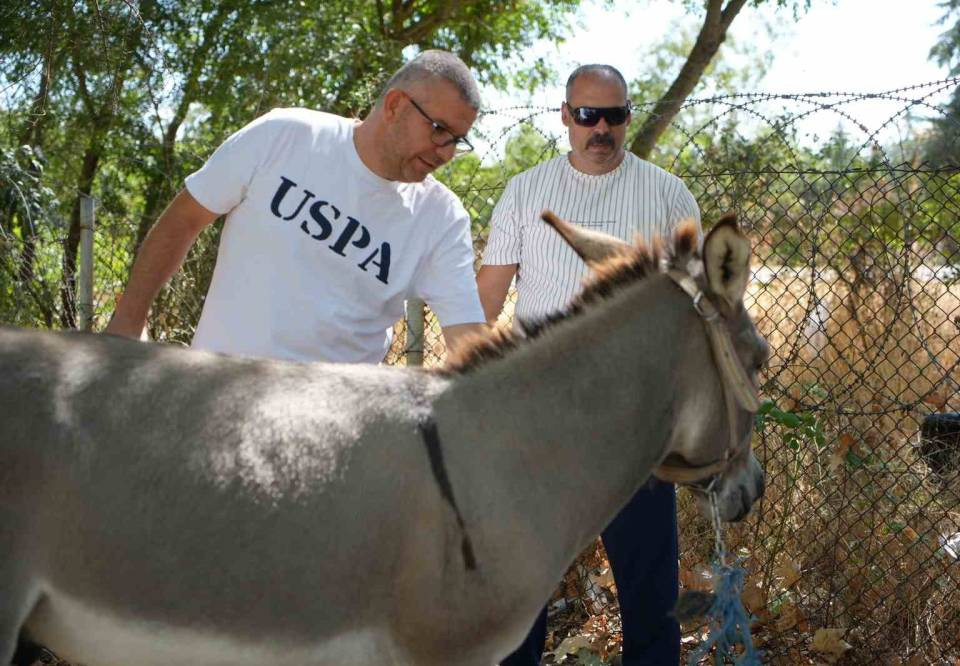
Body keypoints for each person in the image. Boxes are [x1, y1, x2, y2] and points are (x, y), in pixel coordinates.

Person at [476, 64, 702, 666]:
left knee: (649, 588)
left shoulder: (669, 195)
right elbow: (487, 300)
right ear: (565, 116)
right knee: (520, 586)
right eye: (587, 115)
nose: (600, 129)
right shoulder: (526, 191)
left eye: (614, 115)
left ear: (629, 115)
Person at [105, 50, 485, 362]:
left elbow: (465, 335)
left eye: (458, 140)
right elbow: (184, 220)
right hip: (216, 396)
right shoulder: (283, 136)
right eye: (439, 130)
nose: (447, 152)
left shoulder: (442, 219)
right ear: (395, 105)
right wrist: (126, 324)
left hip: (334, 426)